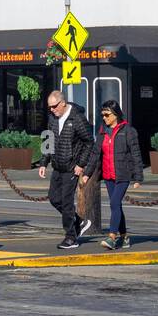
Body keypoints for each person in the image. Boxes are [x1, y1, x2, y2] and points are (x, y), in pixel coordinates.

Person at [38, 90, 99, 249]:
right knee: (53, 198)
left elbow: (89, 142)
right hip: (57, 166)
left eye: (54, 106)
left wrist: (81, 164)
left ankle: (71, 238)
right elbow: (47, 139)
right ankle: (79, 221)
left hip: (72, 168)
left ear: (63, 103)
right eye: (49, 107)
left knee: (66, 203)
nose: (52, 110)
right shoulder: (52, 118)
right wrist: (44, 163)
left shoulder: (77, 118)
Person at [97, 100, 142, 249]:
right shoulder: (103, 131)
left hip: (123, 174)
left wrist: (138, 176)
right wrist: (87, 173)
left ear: (115, 114)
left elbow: (136, 154)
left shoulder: (128, 131)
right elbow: (95, 153)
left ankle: (112, 237)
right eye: (102, 114)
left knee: (114, 203)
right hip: (108, 175)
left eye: (107, 114)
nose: (104, 117)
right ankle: (124, 237)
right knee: (116, 206)